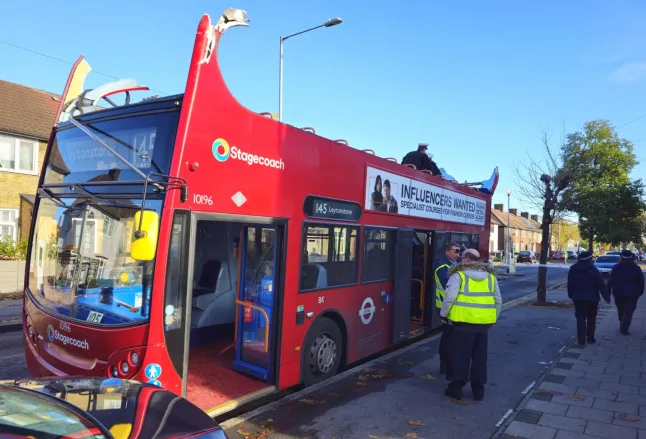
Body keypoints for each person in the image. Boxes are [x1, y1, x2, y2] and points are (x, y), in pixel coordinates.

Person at [440, 249, 502, 401]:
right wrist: (493, 319)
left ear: (466, 260)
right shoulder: (490, 277)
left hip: (462, 323)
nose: (460, 259)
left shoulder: (458, 275)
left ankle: (456, 388)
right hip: (483, 325)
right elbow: (498, 300)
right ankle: (478, 390)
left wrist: (443, 315)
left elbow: (449, 299)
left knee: (461, 357)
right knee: (480, 358)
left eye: (462, 257)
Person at [567, 251, 610, 345]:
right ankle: (590, 338)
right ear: (589, 259)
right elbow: (600, 284)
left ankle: (581, 340)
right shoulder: (593, 269)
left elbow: (570, 283)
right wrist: (606, 296)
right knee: (591, 318)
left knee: (580, 318)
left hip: (578, 297)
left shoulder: (573, 269)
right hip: (592, 298)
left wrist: (570, 294)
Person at [434, 241, 461, 375]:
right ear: (447, 251)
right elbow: (448, 285)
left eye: (459, 251)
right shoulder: (442, 266)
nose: (458, 254)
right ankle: (445, 365)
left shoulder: (454, 264)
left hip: (453, 306)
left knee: (451, 337)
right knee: (448, 338)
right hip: (445, 305)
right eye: (455, 251)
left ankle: (448, 365)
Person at [607, 249, 644, 335]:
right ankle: (624, 328)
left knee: (621, 309)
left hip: (618, 292)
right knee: (629, 311)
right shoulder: (636, 268)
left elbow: (610, 281)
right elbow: (641, 281)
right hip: (632, 293)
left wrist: (608, 292)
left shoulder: (616, 267)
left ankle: (622, 322)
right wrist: (640, 291)